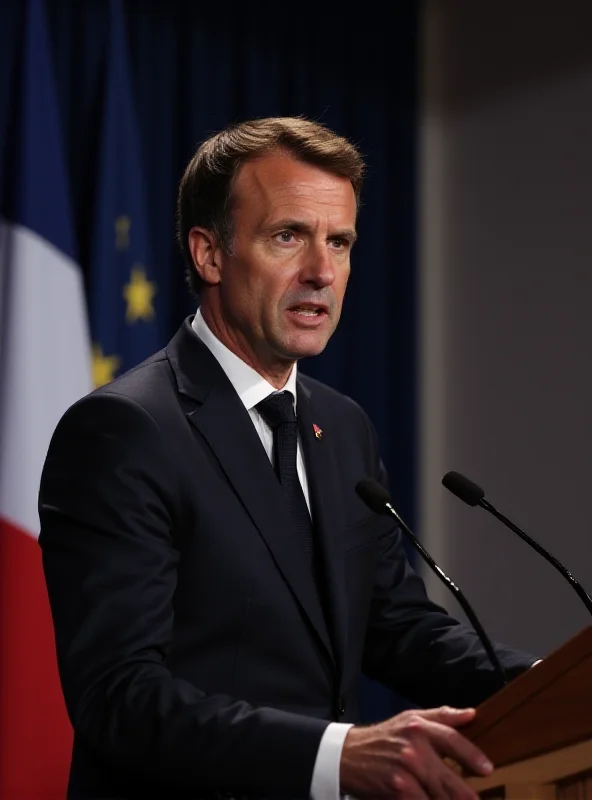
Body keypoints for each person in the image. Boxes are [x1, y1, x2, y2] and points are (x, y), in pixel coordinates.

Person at [39, 117, 536, 800]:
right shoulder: (125, 431)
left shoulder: (341, 424)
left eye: (340, 241)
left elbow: (394, 626)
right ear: (210, 254)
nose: (322, 272)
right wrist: (337, 756)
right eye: (288, 237)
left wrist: (552, 683)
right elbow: (119, 697)